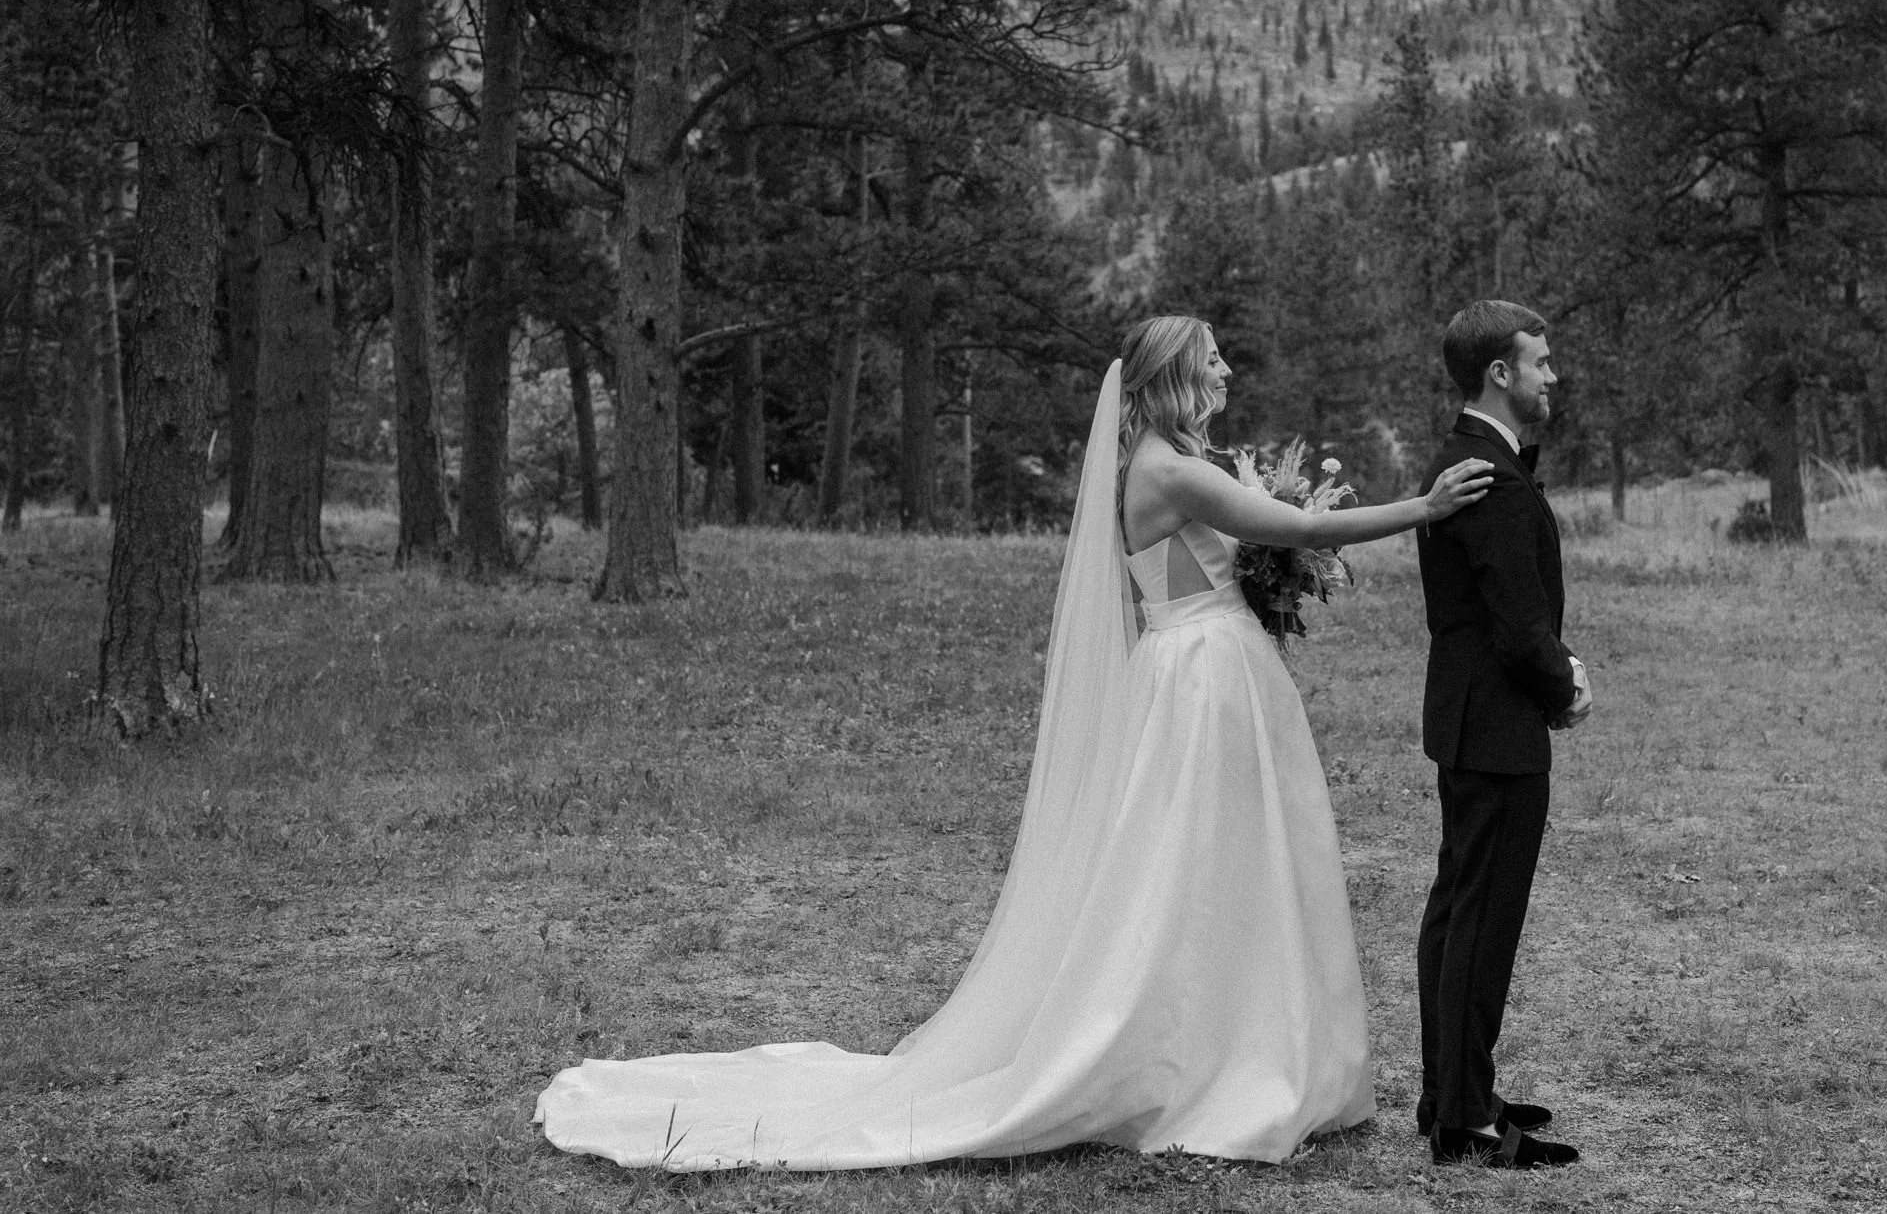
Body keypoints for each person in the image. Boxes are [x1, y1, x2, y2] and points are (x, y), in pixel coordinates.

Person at [534, 314, 1492, 1170]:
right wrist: (1426, 507)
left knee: (1225, 864)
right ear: (1172, 377)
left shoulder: (1164, 458)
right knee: (1194, 867)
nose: (1226, 371)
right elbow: (1298, 524)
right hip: (1205, 677)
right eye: (1211, 361)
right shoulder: (1169, 468)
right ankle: (1205, 1059)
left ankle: (1241, 1043)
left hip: (1208, 666)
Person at [1412, 299, 1590, 1170]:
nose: (1551, 374)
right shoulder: (1492, 479)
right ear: (1499, 372)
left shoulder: (1463, 460)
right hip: (1498, 724)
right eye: (1539, 360)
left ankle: (1452, 1091)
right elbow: (1520, 630)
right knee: (1481, 917)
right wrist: (1567, 684)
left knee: (1458, 907)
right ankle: (1466, 1121)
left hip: (1468, 717)